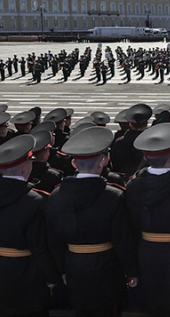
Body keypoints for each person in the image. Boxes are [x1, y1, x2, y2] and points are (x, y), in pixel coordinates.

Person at [46, 126, 138, 317]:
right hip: (107, 267)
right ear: (103, 160)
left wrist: (62, 269)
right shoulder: (113, 196)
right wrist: (131, 271)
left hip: (73, 266)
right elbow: (123, 238)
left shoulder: (56, 195)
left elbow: (53, 240)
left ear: (73, 163)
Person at [0, 134, 61, 317]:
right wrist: (52, 277)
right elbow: (40, 246)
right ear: (25, 168)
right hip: (29, 271)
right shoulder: (35, 201)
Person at [124, 123, 170, 317]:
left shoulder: (132, 186)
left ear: (145, 157)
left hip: (146, 251)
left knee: (152, 303)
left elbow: (130, 226)